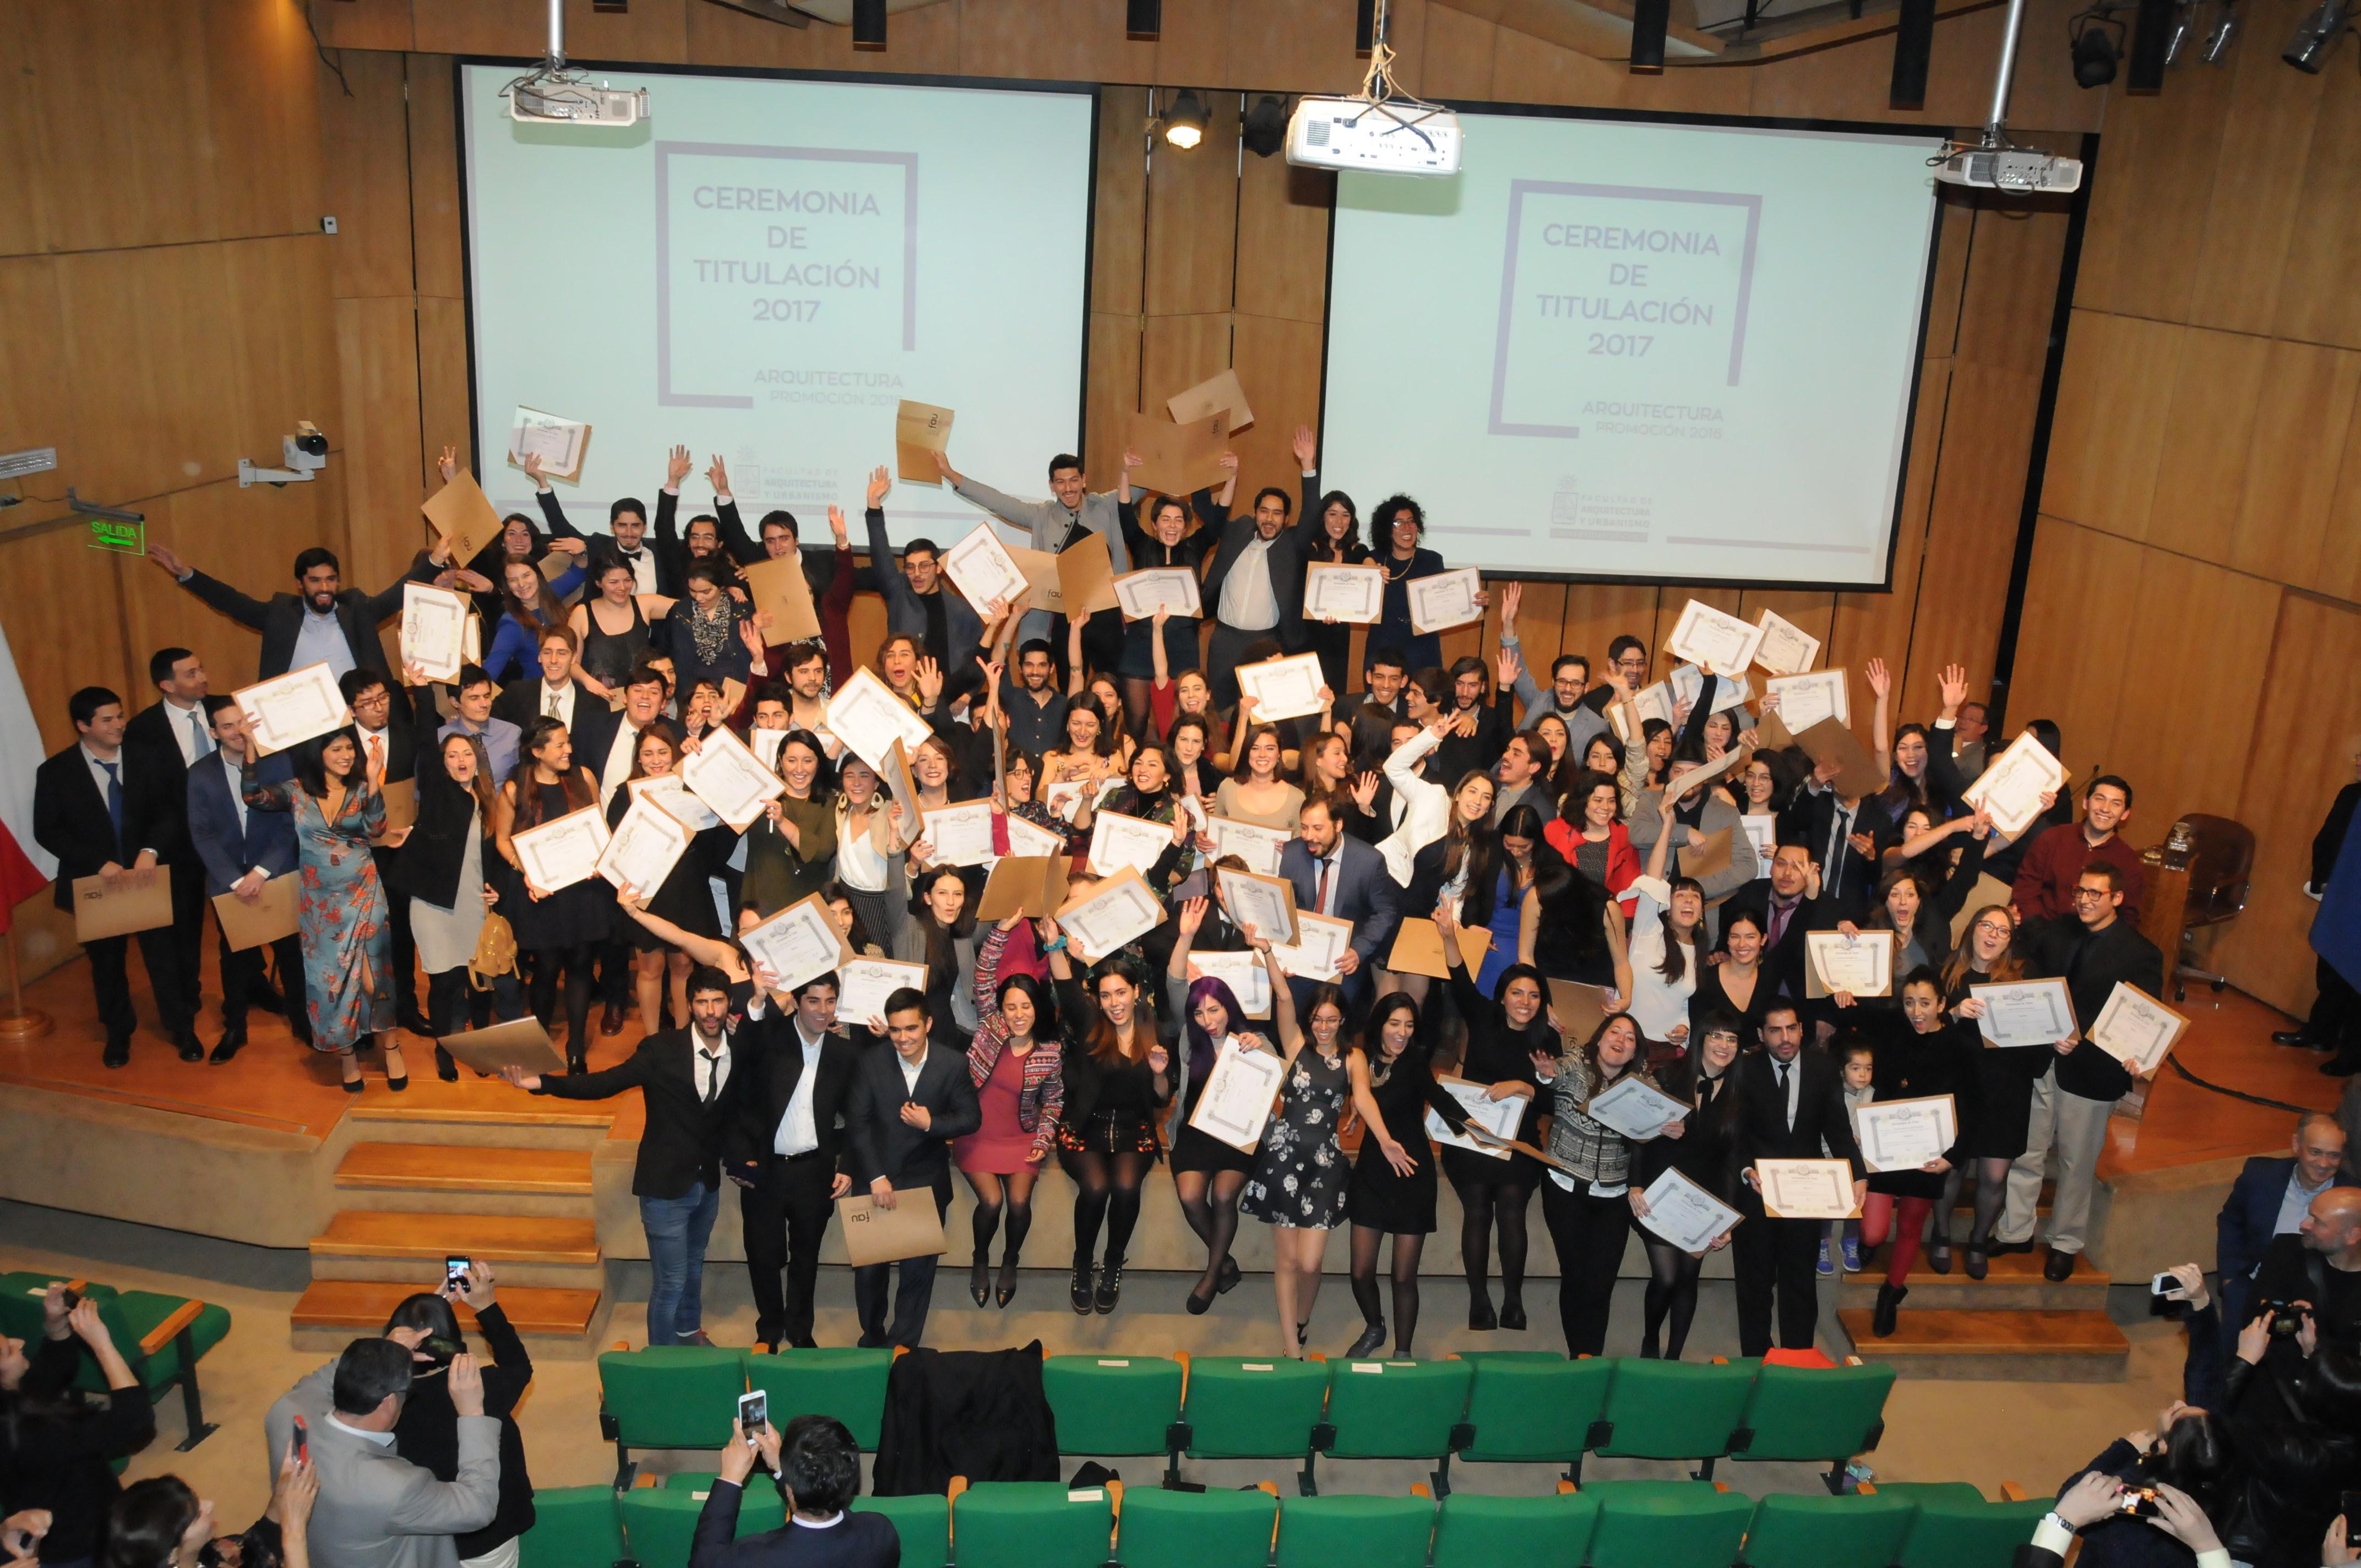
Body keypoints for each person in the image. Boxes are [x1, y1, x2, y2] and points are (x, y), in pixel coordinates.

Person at [504, 968, 751, 1346]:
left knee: (694, 1268)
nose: (710, 1010)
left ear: (727, 1003)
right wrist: (543, 1083)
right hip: (665, 1187)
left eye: (717, 1000)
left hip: (707, 1185)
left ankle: (688, 1332)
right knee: (670, 1281)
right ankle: (661, 1361)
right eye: (702, 1001)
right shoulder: (661, 1050)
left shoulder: (737, 1051)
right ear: (689, 1005)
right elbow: (605, 1083)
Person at [2013, 862, 2166, 1282]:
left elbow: (2144, 1019)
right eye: (2080, 891)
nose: (2083, 899)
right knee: (2027, 1151)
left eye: (2095, 894)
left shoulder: (2141, 953)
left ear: (2117, 899)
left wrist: (2139, 1057)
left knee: (2076, 1163)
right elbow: (2033, 981)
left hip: (2093, 1073)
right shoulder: (2059, 930)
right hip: (2044, 1060)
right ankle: (2016, 1231)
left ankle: (2065, 1242)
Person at [32, 685, 199, 1066]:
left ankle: (181, 1028)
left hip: (148, 879)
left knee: (165, 958)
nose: (119, 725)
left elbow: (172, 812)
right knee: (107, 964)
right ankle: (118, 1033)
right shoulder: (57, 772)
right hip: (99, 884)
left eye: (120, 716)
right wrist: (97, 863)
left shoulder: (150, 759)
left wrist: (150, 851)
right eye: (108, 720)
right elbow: (49, 829)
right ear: (82, 725)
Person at [246, 726, 405, 1091]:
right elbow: (253, 796)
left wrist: (374, 783)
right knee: (332, 982)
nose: (347, 755)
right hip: (322, 905)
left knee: (374, 978)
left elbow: (377, 829)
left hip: (366, 892)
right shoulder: (297, 790)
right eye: (337, 749)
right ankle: (347, 1058)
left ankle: (392, 1048)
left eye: (350, 748)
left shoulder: (361, 788)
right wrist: (251, 751)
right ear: (319, 754)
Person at [844, 988, 982, 1349]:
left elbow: (971, 1118)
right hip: (877, 1176)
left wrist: (931, 1124)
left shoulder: (953, 1064)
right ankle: (872, 1341)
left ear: (928, 1025)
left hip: (925, 1180)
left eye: (911, 1029)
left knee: (917, 1274)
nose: (903, 1038)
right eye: (895, 1030)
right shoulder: (869, 1062)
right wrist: (876, 1177)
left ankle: (903, 1348)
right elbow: (857, 1124)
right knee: (869, 1272)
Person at [1046, 927, 1172, 1315]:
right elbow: (1065, 985)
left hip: (1134, 1128)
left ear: (1137, 993)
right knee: (1097, 1188)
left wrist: (1158, 1073)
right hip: (1086, 1127)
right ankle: (1083, 1263)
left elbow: (1160, 1100)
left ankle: (1114, 1262)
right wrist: (1056, 943)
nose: (1114, 1002)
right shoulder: (1090, 1022)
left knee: (1127, 1187)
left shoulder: (1157, 1031)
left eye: (1121, 993)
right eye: (1105, 995)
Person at [1730, 1000, 1868, 1355]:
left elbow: (1838, 1128)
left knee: (1800, 1283)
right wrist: (1746, 1169)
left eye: (1791, 1028)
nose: (1785, 1037)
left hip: (1807, 1193)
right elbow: (1735, 1134)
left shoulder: (1823, 1069)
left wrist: (1858, 1173)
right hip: (1757, 1192)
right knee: (1755, 1283)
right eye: (1775, 1030)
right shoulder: (1745, 1069)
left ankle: (1797, 1359)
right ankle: (1756, 1359)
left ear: (1802, 1030)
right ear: (1761, 1035)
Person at [1435, 901, 1548, 1331]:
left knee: (1513, 1209)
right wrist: (1449, 935)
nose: (1525, 1001)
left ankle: (1514, 1301)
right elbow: (1460, 978)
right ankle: (1479, 1300)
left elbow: (1555, 1102)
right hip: (1473, 1139)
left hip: (1519, 1145)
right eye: (1518, 993)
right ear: (1503, 996)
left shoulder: (1546, 1042)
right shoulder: (1483, 1016)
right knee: (1478, 1207)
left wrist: (1528, 1087)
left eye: (1534, 995)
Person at [729, 974, 857, 1352]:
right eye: (814, 1001)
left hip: (814, 1171)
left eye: (830, 1001)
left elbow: (857, 1116)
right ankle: (769, 1328)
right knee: (763, 1254)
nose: (823, 1010)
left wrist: (847, 1163)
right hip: (766, 1169)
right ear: (798, 1002)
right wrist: (756, 999)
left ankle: (800, 1329)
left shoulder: (843, 1053)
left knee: (806, 1256)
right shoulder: (771, 1038)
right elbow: (741, 1059)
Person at [1238, 943, 1354, 1357]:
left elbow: (1371, 1101)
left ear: (1342, 1021)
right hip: (1284, 1159)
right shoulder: (1295, 1047)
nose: (1324, 1026)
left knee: (1310, 1262)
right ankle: (1291, 1345)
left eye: (1332, 1020)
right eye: (1318, 1019)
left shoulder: (1352, 1058)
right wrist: (1267, 953)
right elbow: (1284, 996)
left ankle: (1302, 1320)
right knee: (1287, 1262)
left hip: (1326, 1165)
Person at [1340, 992, 1469, 1359]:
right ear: (1379, 1023)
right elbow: (1359, 1097)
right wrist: (1353, 1109)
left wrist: (1477, 1126)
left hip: (1412, 1173)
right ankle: (1375, 1326)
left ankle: (1403, 1354)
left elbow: (1439, 1098)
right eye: (1395, 1024)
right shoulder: (1360, 1061)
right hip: (1371, 1174)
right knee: (1361, 1272)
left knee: (1403, 1277)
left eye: (1409, 1025)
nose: (1402, 1032)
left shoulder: (1415, 1061)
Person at [375, 1270, 535, 1568]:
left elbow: (357, 1375)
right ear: (452, 1342)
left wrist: (387, 1351)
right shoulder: (483, 1387)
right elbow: (518, 1365)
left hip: (416, 1539)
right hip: (487, 1539)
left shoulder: (380, 1402)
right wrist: (487, 1306)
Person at [297, 1337, 497, 1568]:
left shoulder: (287, 1416)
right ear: (389, 1403)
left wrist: (379, 1355)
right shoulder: (398, 1487)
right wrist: (472, 1412)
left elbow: (311, 1386)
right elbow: (478, 1506)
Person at [1853, 969, 1974, 1336]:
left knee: (1909, 1226)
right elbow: (1854, 1015)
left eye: (1925, 1003)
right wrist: (1841, 993)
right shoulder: (1893, 1031)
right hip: (1884, 1150)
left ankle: (1892, 1292)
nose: (1917, 1012)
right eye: (1909, 1002)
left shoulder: (1959, 1047)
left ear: (1942, 1005)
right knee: (1873, 1233)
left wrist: (1954, 1157)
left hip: (1929, 1158)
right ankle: (1868, 1245)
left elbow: (1975, 1108)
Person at [186, 695, 308, 1061]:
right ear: (213, 732)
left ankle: (304, 1022)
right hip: (230, 885)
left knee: (292, 955)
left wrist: (261, 873)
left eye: (243, 723)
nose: (239, 732)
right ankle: (235, 1027)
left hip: (276, 874)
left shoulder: (278, 763)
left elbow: (290, 824)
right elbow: (201, 833)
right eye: (228, 726)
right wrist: (237, 881)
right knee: (234, 959)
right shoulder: (201, 774)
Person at [1534, 1011, 1662, 1357]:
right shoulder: (1576, 1064)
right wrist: (1545, 1074)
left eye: (1630, 1038)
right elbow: (1554, 1074)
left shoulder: (1642, 1083)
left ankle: (1592, 1356)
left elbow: (1664, 1114)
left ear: (1636, 1050)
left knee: (1601, 1283)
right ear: (1600, 1037)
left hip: (1614, 1193)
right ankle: (1580, 1357)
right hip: (1565, 1186)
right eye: (1614, 1032)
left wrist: (1673, 1127)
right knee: (1575, 1276)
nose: (1620, 1040)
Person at [398, 729, 523, 1079]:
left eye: (466, 753)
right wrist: (423, 690)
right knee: (444, 983)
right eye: (451, 756)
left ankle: (479, 1047)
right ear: (442, 764)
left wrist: (496, 888)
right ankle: (445, 1049)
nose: (460, 761)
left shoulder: (488, 801)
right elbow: (424, 745)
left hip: (474, 905)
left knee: (479, 980)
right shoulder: (439, 795)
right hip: (434, 907)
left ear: (477, 760)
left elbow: (495, 855)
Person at [0, 1287, 154, 1568]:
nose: (20, 1342)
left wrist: (56, 1326)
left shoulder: (10, 1407)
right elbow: (134, 1422)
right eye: (9, 1350)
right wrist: (103, 1346)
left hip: (54, 1519)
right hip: (81, 1545)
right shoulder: (36, 1433)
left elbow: (46, 1378)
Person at [956, 919, 1064, 1310]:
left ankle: (1010, 1260)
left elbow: (1053, 1102)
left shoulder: (1049, 1053)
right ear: (1000, 1008)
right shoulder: (989, 1029)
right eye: (1011, 1006)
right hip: (977, 1136)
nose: (1019, 1014)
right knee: (991, 1203)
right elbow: (984, 974)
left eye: (1026, 1006)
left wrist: (1042, 1140)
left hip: (1021, 1140)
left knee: (1018, 1204)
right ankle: (980, 1259)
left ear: (1038, 1008)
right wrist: (1000, 931)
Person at [940, 444, 1133, 662]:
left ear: (1084, 480)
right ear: (1052, 486)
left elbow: (1144, 485)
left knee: (1112, 685)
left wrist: (1128, 468)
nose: (1068, 488)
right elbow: (1000, 502)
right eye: (1060, 482)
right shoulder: (1042, 515)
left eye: (1073, 480)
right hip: (1063, 618)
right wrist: (951, 475)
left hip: (1107, 614)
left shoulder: (1105, 505)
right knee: (1067, 686)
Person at [1165, 906, 1267, 1315]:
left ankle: (1211, 1276)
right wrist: (1186, 936)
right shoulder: (1191, 1043)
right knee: (1191, 1198)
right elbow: (1175, 983)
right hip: (1195, 1133)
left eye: (1215, 1009)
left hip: (1238, 1137)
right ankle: (1224, 1261)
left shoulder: (1254, 1038)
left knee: (1224, 1194)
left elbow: (1273, 1075)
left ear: (1229, 1006)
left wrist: (1261, 1047)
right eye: (1199, 1012)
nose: (1208, 1019)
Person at [492, 718, 609, 1071]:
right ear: (537, 752)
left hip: (583, 891)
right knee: (545, 969)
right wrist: (525, 870)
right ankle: (540, 1043)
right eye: (559, 745)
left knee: (580, 966)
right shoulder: (515, 790)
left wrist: (602, 858)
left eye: (568, 742)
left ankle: (576, 1049)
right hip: (541, 894)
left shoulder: (583, 778)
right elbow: (502, 840)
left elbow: (598, 829)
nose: (568, 750)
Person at [145, 542, 437, 680]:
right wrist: (187, 574)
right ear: (300, 584)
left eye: (331, 579)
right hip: (301, 727)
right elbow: (231, 602)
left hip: (358, 721)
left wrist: (434, 561)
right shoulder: (280, 614)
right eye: (315, 580)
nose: (324, 587)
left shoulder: (357, 608)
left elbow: (399, 593)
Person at [1630, 1012, 1743, 1358]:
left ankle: (1674, 1356)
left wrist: (1728, 1220)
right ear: (1701, 1040)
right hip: (1658, 1191)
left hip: (1702, 1199)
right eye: (1717, 1036)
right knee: (1666, 1278)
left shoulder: (1740, 1095)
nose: (1723, 1046)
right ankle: (1651, 1339)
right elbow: (1639, 1135)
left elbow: (1731, 1161)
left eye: (1732, 1039)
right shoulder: (1667, 1076)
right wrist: (1634, 1186)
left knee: (1688, 1278)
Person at [123, 646, 217, 1040]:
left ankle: (252, 985)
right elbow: (147, 797)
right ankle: (184, 1003)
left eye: (200, 668)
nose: (203, 677)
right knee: (185, 926)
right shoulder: (144, 730)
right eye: (192, 673)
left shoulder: (224, 708)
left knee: (244, 917)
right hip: (178, 844)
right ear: (167, 685)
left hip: (232, 834)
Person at [2216, 1114, 2356, 1372]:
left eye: (2334, 1156)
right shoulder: (2259, 1175)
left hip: (2315, 1301)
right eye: (2315, 1152)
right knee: (2232, 1363)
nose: (2324, 1164)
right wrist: (2230, 1278)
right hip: (2249, 1288)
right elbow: (2230, 1221)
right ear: (2296, 1145)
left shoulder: (2353, 1196)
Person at [344, 667, 431, 1037]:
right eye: (368, 703)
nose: (379, 708)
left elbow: (429, 743)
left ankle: (406, 1007)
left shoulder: (404, 735)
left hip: (400, 851)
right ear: (351, 710)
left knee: (400, 932)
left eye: (383, 698)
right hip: (354, 854)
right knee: (359, 936)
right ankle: (363, 1017)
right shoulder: (339, 744)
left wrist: (423, 691)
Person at [695, 1414, 897, 1568]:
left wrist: (730, 1479)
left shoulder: (753, 1557)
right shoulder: (880, 1533)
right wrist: (783, 1470)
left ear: (790, 1490)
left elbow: (704, 1561)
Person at [1278, 793, 1398, 1018]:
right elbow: (1284, 906)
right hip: (1302, 954)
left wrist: (1359, 951)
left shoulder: (1369, 861)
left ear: (1338, 825)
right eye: (1304, 828)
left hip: (1344, 957)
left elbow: (1385, 911)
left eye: (1317, 828)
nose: (1308, 837)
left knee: (1336, 1018)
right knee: (1292, 1014)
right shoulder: (1292, 853)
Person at [1197, 474, 1306, 709]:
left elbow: (1313, 514)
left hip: (1265, 642)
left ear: (1286, 519)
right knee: (1221, 709)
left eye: (1277, 513)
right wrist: (1209, 467)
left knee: (1261, 711)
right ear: (1255, 513)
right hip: (1224, 640)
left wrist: (1308, 468)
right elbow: (1204, 509)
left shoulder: (1291, 546)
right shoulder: (1237, 532)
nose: (1269, 519)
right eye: (1264, 511)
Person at [2284, 745, 2361, 1069]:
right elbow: (2328, 839)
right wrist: (2323, 883)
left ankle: (2353, 1055)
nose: (2358, 761)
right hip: (2342, 896)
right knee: (2330, 966)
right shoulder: (2351, 795)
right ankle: (2320, 1032)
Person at [2015, 776, 2144, 925]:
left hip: (2092, 942)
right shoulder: (2052, 838)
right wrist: (2037, 929)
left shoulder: (2128, 861)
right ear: (2085, 803)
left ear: (2125, 814)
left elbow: (2128, 917)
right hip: (2040, 932)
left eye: (2115, 804)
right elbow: (2025, 890)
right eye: (2100, 799)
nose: (2105, 809)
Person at [436, 667, 523, 789]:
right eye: (474, 698)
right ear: (455, 702)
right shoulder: (439, 739)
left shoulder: (512, 734)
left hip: (503, 805)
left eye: (487, 696)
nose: (484, 704)